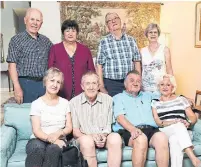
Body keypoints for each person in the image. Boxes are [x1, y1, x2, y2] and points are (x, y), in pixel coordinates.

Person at [113, 70, 169, 167]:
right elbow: (120, 118)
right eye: (132, 80)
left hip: (150, 129)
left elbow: (167, 96)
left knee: (162, 138)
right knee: (141, 138)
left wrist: (184, 98)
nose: (135, 83)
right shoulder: (118, 97)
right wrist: (133, 129)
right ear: (125, 83)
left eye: (138, 81)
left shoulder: (149, 96)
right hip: (129, 130)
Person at [70, 71, 122, 167]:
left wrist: (103, 136)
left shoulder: (108, 100)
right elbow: (76, 131)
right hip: (84, 137)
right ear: (82, 86)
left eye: (94, 83)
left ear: (98, 86)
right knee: (87, 141)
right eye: (87, 84)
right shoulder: (73, 102)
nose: (91, 87)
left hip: (103, 135)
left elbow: (108, 126)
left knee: (115, 138)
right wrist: (92, 136)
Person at [25, 67, 72, 167]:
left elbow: (69, 127)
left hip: (60, 139)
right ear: (45, 81)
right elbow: (36, 130)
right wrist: (52, 139)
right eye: (52, 80)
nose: (55, 85)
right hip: (38, 139)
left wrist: (59, 133)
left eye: (58, 82)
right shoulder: (36, 104)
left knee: (53, 150)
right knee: (36, 148)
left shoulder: (65, 103)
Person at [151, 74, 201, 167]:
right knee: (178, 125)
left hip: (184, 131)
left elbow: (192, 116)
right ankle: (194, 159)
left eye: (168, 85)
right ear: (158, 87)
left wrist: (188, 122)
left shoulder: (181, 99)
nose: (165, 87)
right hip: (165, 130)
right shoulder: (155, 102)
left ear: (173, 87)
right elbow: (158, 122)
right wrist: (173, 122)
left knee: (175, 140)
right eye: (162, 84)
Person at [7, 8, 52, 104]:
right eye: (32, 19)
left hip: (43, 85)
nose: (35, 23)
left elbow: (57, 56)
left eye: (38, 20)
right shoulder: (16, 40)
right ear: (25, 20)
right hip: (25, 84)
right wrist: (17, 87)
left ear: (41, 23)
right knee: (27, 115)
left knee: (44, 116)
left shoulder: (46, 41)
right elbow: (12, 65)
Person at [96, 12, 141, 97]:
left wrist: (138, 81)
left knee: (130, 108)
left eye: (115, 18)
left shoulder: (131, 40)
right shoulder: (103, 42)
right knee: (114, 109)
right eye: (109, 20)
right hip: (111, 84)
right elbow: (99, 66)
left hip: (130, 82)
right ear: (107, 26)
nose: (113, 21)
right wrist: (101, 87)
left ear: (120, 21)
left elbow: (137, 61)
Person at [48, 19, 95, 100]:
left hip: (82, 94)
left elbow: (91, 72)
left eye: (73, 31)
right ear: (63, 33)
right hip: (60, 93)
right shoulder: (55, 49)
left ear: (77, 33)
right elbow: (50, 72)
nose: (70, 33)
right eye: (67, 31)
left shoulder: (85, 50)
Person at [141, 23, 173, 95]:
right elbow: (140, 70)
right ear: (147, 34)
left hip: (161, 89)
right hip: (145, 90)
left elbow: (169, 69)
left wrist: (171, 87)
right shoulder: (142, 51)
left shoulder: (165, 49)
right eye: (150, 32)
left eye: (155, 32)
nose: (153, 34)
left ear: (158, 34)